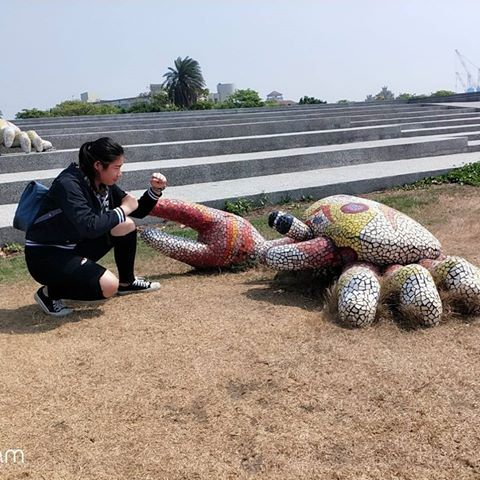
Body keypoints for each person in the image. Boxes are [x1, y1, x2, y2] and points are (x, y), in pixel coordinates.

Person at [25, 137, 167, 317]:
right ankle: (48, 293)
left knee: (125, 224)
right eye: (116, 168)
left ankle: (127, 282)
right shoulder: (68, 184)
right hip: (46, 256)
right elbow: (89, 226)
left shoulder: (99, 181)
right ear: (98, 165)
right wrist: (123, 208)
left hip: (74, 245)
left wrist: (155, 191)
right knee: (109, 286)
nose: (120, 173)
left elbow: (136, 210)